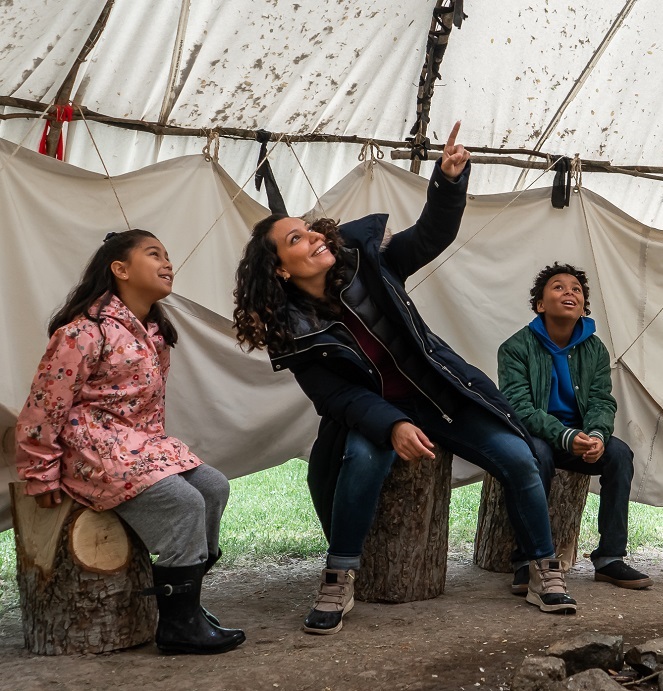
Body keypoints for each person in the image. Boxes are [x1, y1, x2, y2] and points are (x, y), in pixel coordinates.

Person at [233, 122, 577, 635]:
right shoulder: (291, 331)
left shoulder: (370, 263)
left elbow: (430, 236)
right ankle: (339, 577)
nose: (314, 237)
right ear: (280, 268)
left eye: (309, 229)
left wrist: (448, 181)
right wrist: (391, 424)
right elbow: (336, 396)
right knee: (362, 457)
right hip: (376, 415)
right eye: (296, 238)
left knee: (519, 459)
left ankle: (541, 569)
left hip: (443, 395)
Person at [15, 229, 246, 655]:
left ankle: (183, 604)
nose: (168, 263)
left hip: (138, 445)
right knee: (183, 502)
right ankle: (179, 628)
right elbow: (42, 408)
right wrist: (40, 473)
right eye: (154, 254)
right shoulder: (83, 332)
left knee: (213, 486)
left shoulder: (154, 333)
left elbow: (148, 411)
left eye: (168, 254)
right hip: (91, 450)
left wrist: (158, 457)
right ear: (119, 269)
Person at [498, 262, 652, 593]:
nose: (569, 292)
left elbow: (601, 401)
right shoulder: (515, 348)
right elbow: (519, 409)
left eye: (577, 290)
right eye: (558, 287)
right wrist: (565, 436)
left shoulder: (594, 349)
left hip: (579, 438)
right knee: (536, 456)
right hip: (537, 437)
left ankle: (609, 559)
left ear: (582, 306)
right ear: (540, 304)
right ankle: (528, 560)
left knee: (620, 454)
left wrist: (596, 435)